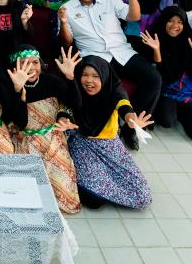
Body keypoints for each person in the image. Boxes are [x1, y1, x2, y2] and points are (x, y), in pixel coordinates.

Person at [60, 0, 161, 150]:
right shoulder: (67, 8)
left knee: (153, 78)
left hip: (122, 51)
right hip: (96, 57)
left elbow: (134, 16)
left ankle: (132, 127)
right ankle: (110, 124)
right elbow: (67, 41)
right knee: (110, 85)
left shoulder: (110, 1)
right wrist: (63, 22)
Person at [56, 54, 153, 210]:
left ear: (105, 76)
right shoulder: (75, 88)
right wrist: (64, 120)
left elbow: (125, 107)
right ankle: (96, 188)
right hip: (83, 142)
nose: (89, 81)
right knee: (94, 201)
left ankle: (102, 187)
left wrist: (131, 121)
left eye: (95, 76)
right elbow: (66, 107)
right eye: (85, 75)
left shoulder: (114, 91)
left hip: (109, 143)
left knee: (142, 196)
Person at [7, 45, 80, 214]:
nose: (31, 68)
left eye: (35, 62)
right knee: (25, 190)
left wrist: (70, 78)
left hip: (52, 136)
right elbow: (20, 123)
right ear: (16, 67)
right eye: (24, 63)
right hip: (25, 138)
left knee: (63, 188)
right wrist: (18, 92)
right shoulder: (10, 85)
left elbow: (73, 104)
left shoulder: (52, 81)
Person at [141, 7, 192, 142]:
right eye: (171, 21)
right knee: (167, 121)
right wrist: (157, 50)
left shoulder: (189, 40)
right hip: (167, 90)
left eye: (180, 22)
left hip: (188, 93)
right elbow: (162, 76)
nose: (175, 26)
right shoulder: (154, 39)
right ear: (164, 21)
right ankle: (175, 110)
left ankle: (182, 111)